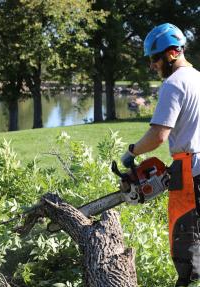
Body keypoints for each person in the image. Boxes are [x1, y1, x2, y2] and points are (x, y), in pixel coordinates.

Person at [121, 23, 200, 286]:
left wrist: (132, 152)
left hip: (190, 170)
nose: (153, 65)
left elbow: (157, 136)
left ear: (173, 52)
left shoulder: (173, 84)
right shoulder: (198, 78)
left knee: (186, 240)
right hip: (193, 161)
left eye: (155, 58)